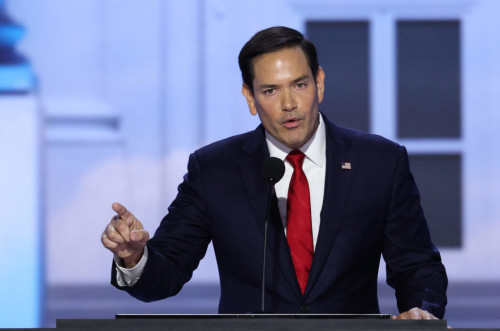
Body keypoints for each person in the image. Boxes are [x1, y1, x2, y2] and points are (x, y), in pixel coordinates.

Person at [101, 26, 447, 319]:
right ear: (249, 98)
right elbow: (167, 272)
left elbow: (417, 266)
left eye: (299, 85)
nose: (289, 104)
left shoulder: (380, 162)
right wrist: (134, 258)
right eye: (270, 90)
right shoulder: (214, 170)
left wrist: (422, 312)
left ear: (320, 83)